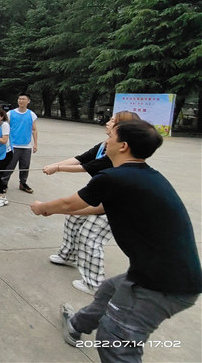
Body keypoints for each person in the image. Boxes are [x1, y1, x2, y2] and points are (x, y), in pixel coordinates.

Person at [31, 120, 202, 362]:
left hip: (161, 284)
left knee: (115, 340)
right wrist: (56, 211)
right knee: (109, 290)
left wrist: (42, 207)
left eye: (110, 135)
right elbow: (98, 208)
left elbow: (71, 202)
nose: (106, 140)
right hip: (167, 273)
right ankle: (76, 325)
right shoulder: (144, 175)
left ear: (123, 146)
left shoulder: (112, 177)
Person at [42, 111, 140, 295]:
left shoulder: (119, 152)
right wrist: (55, 164)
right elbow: (81, 158)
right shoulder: (105, 145)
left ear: (123, 129)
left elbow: (88, 167)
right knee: (72, 218)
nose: (107, 122)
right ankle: (68, 255)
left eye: (112, 121)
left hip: (117, 205)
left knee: (90, 236)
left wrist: (57, 168)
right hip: (102, 196)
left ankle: (94, 283)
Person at [1, 92, 38, 194]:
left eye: (23, 99)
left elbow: (34, 130)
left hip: (26, 146)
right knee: (9, 166)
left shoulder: (31, 114)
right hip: (13, 145)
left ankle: (23, 183)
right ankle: (3, 183)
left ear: (28, 101)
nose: (21, 101)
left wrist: (35, 144)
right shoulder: (10, 114)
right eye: (19, 99)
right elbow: (4, 128)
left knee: (25, 166)